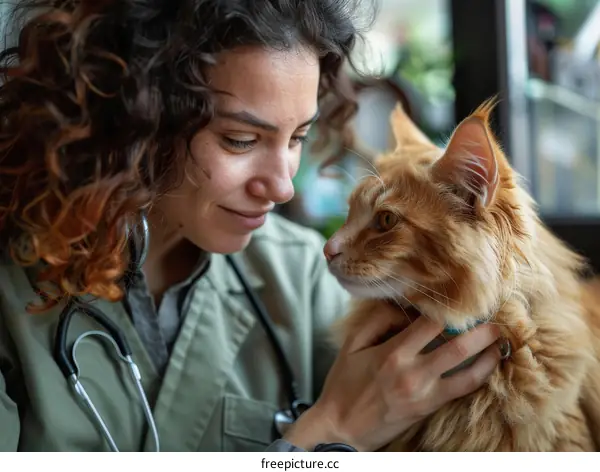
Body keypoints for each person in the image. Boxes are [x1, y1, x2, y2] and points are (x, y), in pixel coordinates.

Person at [0, 0, 503, 452]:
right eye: (241, 139)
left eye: (297, 137)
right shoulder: (10, 292)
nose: (283, 186)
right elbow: (339, 429)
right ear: (131, 120)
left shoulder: (305, 276)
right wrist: (329, 434)